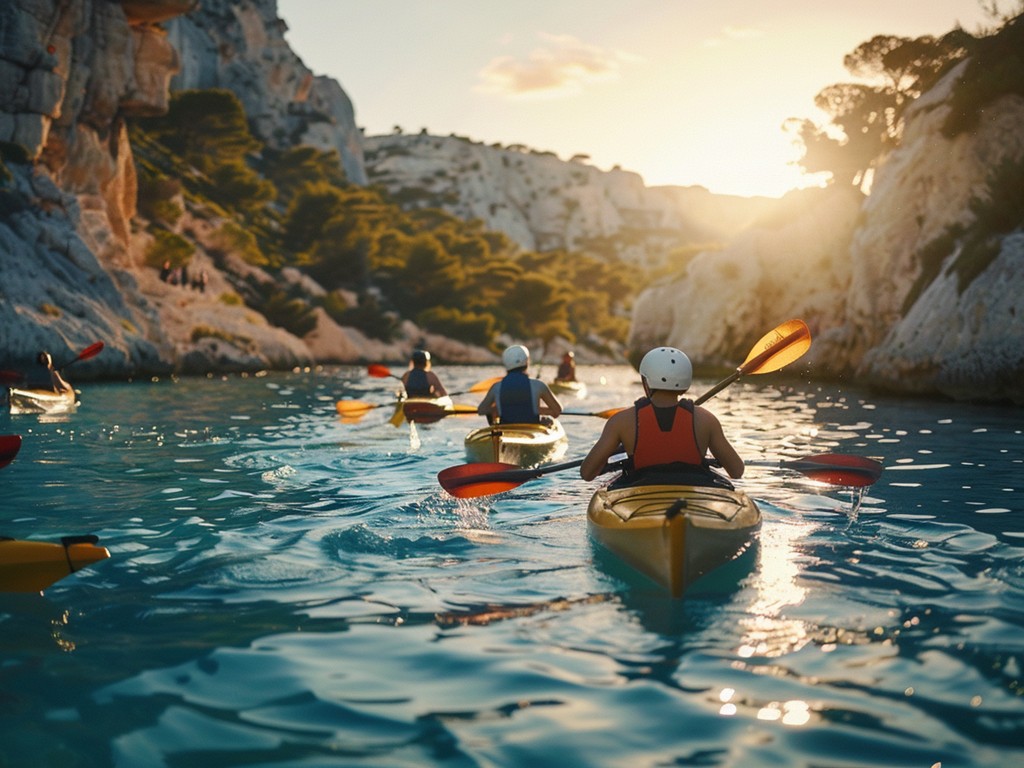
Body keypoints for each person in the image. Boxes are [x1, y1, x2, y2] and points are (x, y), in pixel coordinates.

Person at [580, 346, 744, 486]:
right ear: (686, 383)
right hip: (694, 497)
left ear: (646, 381)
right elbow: (736, 471)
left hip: (639, 499)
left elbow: (587, 473)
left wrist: (616, 448)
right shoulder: (706, 419)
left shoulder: (621, 421)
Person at [477, 344, 562, 424]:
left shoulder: (496, 387)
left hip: (505, 432)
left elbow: (481, 410)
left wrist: (498, 409)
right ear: (526, 363)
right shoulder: (538, 385)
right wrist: (535, 409)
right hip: (532, 431)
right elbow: (557, 411)